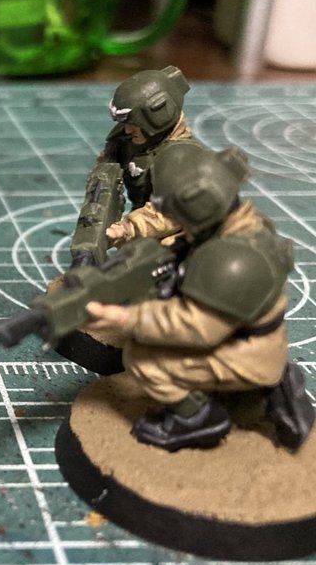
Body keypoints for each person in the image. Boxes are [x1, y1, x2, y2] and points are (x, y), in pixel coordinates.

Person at [85, 141, 314, 452]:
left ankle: (199, 419)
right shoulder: (241, 225)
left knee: (144, 358)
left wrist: (127, 318)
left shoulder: (231, 261)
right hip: (242, 332)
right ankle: (252, 396)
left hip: (247, 348)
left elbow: (197, 329)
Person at [71, 65, 196, 266]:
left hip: (177, 229)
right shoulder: (127, 140)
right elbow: (108, 171)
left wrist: (128, 228)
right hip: (143, 218)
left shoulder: (183, 157)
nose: (128, 130)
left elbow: (173, 212)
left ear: (157, 114)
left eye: (134, 124)